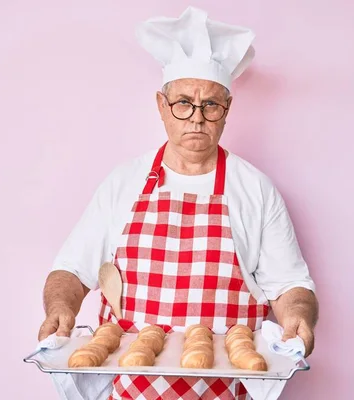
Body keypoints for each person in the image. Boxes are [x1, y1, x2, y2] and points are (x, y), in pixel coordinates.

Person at [37, 6, 318, 400]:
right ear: (161, 105)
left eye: (211, 105)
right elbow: (71, 269)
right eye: (183, 102)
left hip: (224, 390)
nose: (196, 119)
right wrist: (60, 308)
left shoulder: (255, 189)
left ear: (227, 110)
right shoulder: (123, 182)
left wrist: (298, 319)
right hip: (130, 388)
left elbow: (289, 284)